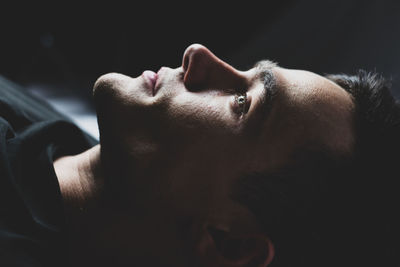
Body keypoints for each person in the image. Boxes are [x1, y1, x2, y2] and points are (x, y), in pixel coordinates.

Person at [0, 43, 399, 267]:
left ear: (230, 244)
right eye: (246, 71)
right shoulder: (53, 144)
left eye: (242, 102)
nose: (199, 56)